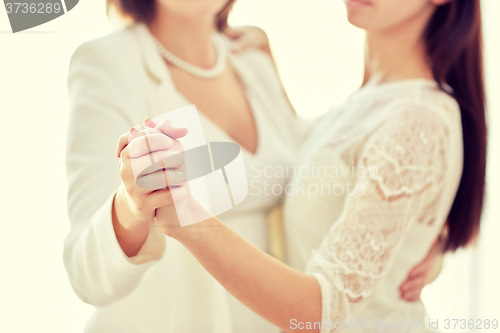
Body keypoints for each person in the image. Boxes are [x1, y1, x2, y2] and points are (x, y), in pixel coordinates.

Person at [65, 0, 444, 332]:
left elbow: (326, 168)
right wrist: (133, 205)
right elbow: (86, 275)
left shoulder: (252, 60)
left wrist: (421, 235)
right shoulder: (108, 62)